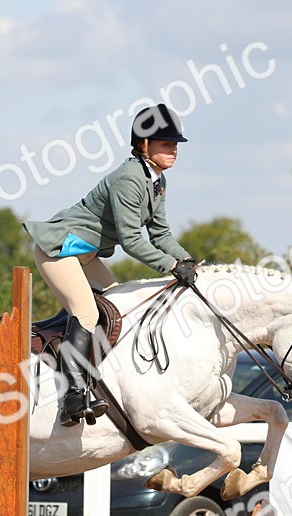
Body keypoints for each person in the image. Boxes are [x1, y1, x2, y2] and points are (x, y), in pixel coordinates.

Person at [24, 103, 199, 427]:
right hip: (59, 250)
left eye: (175, 144)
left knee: (118, 305)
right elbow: (132, 240)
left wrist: (189, 262)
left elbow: (160, 233)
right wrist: (171, 266)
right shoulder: (129, 178)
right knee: (87, 313)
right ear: (144, 146)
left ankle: (103, 379)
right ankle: (73, 396)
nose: (173, 150)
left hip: (86, 255)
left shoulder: (157, 181)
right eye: (166, 144)